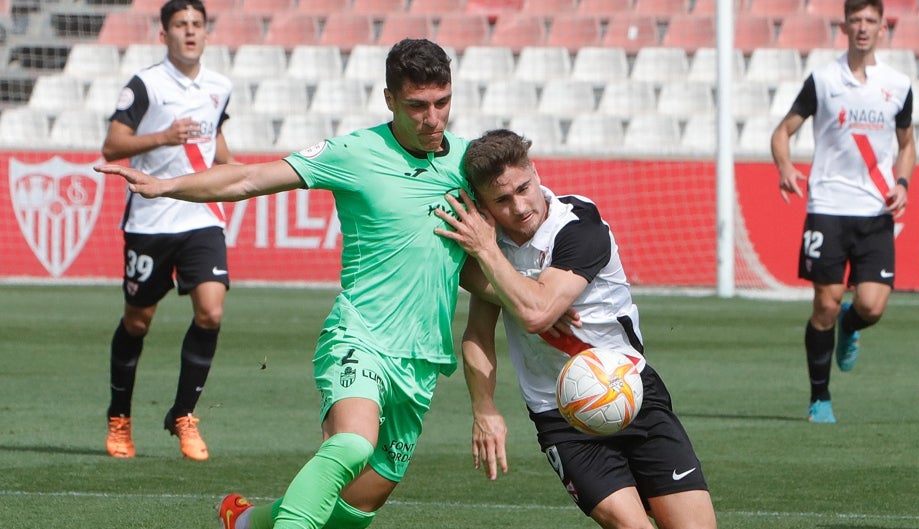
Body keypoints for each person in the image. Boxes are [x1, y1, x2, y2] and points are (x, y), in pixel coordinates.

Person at [98, 39, 471, 529]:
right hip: (361, 338)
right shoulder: (354, 152)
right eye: (416, 106)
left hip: (421, 358)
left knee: (359, 506)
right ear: (389, 99)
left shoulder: (468, 163)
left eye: (442, 102)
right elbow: (248, 179)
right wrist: (166, 187)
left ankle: (248, 520)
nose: (432, 118)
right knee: (352, 445)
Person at [433, 129, 718, 529]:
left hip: (631, 391)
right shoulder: (497, 252)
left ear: (536, 171)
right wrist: (485, 408)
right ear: (483, 203)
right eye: (502, 200)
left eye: (523, 187)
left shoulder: (580, 223)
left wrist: (493, 262)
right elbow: (478, 335)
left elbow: (535, 313)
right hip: (559, 413)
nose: (519, 206)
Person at [102, 0, 237, 461]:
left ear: (206, 32)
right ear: (164, 35)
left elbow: (215, 143)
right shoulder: (145, 84)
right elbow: (112, 143)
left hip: (201, 215)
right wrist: (162, 136)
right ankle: (119, 416)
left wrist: (240, 175)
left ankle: (183, 414)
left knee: (211, 312)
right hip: (150, 220)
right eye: (180, 25)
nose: (190, 32)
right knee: (138, 321)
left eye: (197, 24)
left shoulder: (220, 86)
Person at [770, 0, 913, 424]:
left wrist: (902, 184)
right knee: (825, 305)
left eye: (871, 21)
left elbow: (906, 145)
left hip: (875, 211)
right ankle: (820, 398)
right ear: (845, 27)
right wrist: (784, 166)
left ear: (883, 28)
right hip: (828, 207)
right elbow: (783, 131)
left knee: (870, 307)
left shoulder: (899, 85)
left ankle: (852, 328)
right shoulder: (823, 80)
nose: (863, 28)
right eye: (856, 21)